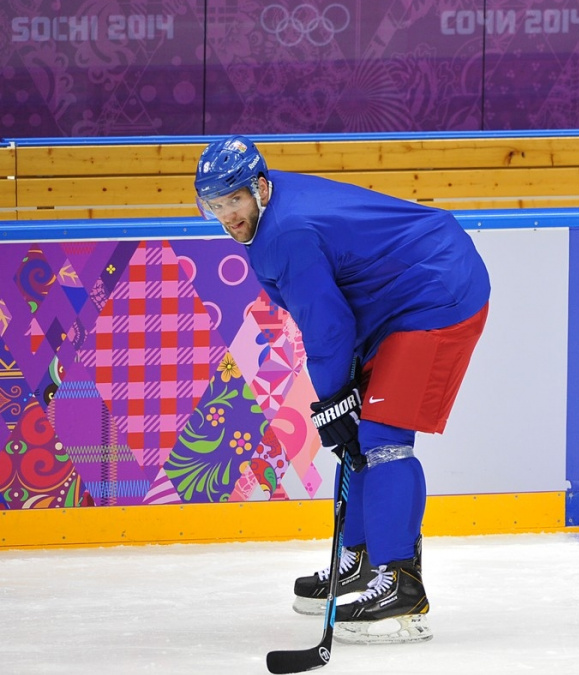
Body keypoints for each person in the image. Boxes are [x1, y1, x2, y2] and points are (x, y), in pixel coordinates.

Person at [194, 135, 490, 644]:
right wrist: (339, 404)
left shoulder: (285, 231)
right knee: (356, 436)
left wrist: (332, 402)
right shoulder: (267, 218)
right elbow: (327, 307)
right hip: (395, 300)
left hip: (437, 291)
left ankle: (401, 586)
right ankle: (361, 563)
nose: (228, 217)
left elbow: (327, 327)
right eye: (215, 206)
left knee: (380, 436)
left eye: (234, 201)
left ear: (260, 188)